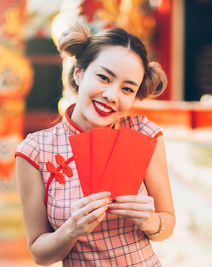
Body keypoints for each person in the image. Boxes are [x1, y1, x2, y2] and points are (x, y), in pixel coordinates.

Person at [15, 23, 175, 267]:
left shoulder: (143, 133)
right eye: (103, 77)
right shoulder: (35, 150)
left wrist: (151, 221)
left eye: (127, 89)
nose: (112, 95)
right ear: (79, 73)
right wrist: (72, 229)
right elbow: (40, 254)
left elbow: (167, 223)